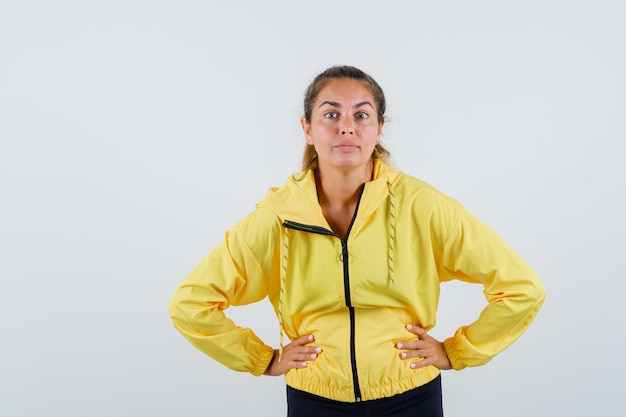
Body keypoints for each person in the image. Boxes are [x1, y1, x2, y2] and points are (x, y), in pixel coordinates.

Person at [168, 65, 546, 416]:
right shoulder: (276, 218)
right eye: (331, 115)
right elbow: (190, 304)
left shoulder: (422, 206)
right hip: (315, 398)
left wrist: (456, 352)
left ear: (379, 127)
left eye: (361, 115)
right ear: (307, 128)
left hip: (411, 394)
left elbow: (521, 288)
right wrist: (263, 359)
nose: (346, 127)